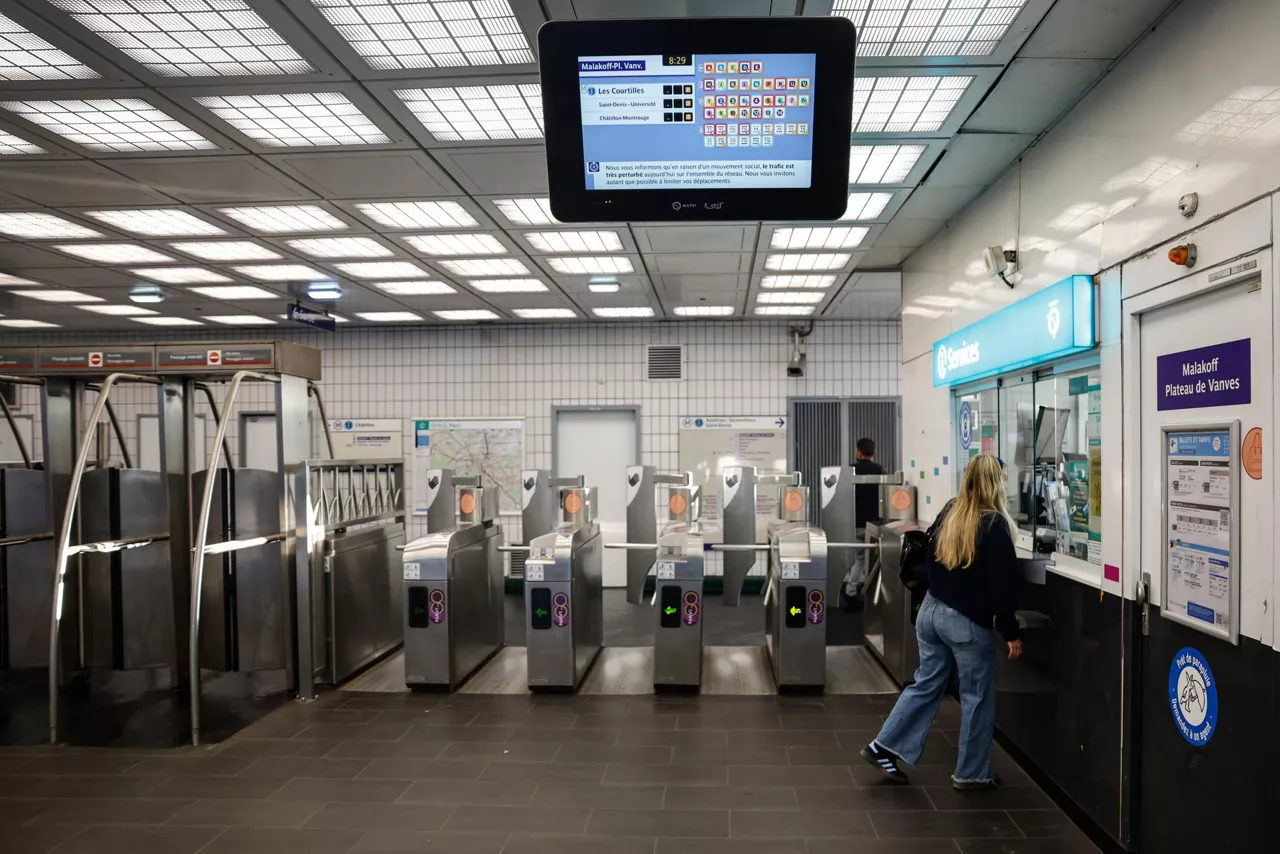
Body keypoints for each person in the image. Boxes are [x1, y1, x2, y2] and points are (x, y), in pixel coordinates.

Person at [861, 454, 1023, 790]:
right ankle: (972, 774)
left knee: (926, 683)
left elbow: (928, 553)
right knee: (977, 696)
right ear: (996, 482)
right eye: (1003, 477)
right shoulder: (994, 525)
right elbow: (1004, 586)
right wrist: (1010, 632)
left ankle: (882, 747)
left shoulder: (952, 509)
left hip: (930, 613)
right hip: (964, 623)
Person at [843, 438, 884, 601]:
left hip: (855, 522)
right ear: (873, 453)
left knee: (858, 558)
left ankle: (850, 590)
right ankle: (871, 592)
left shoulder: (850, 470)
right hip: (875, 523)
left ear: (858, 452)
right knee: (874, 560)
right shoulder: (880, 470)